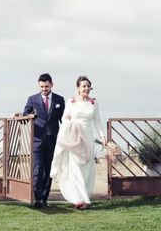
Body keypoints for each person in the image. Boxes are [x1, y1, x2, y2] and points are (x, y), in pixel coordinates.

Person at [51, 75, 105, 209]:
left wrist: (103, 138)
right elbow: (64, 119)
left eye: (88, 86)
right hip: (75, 138)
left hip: (88, 137)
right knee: (76, 167)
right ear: (78, 88)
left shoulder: (94, 102)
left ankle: (84, 196)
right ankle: (79, 200)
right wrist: (69, 120)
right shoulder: (72, 101)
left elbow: (97, 121)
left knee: (87, 168)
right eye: (83, 86)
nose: (86, 88)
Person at [20, 73, 65, 208]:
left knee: (49, 169)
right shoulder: (32, 99)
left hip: (53, 139)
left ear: (52, 84)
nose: (44, 89)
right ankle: (37, 198)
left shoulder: (59, 99)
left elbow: (65, 119)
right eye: (41, 87)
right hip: (37, 139)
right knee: (37, 168)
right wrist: (27, 116)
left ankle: (44, 199)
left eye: (46, 86)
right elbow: (25, 114)